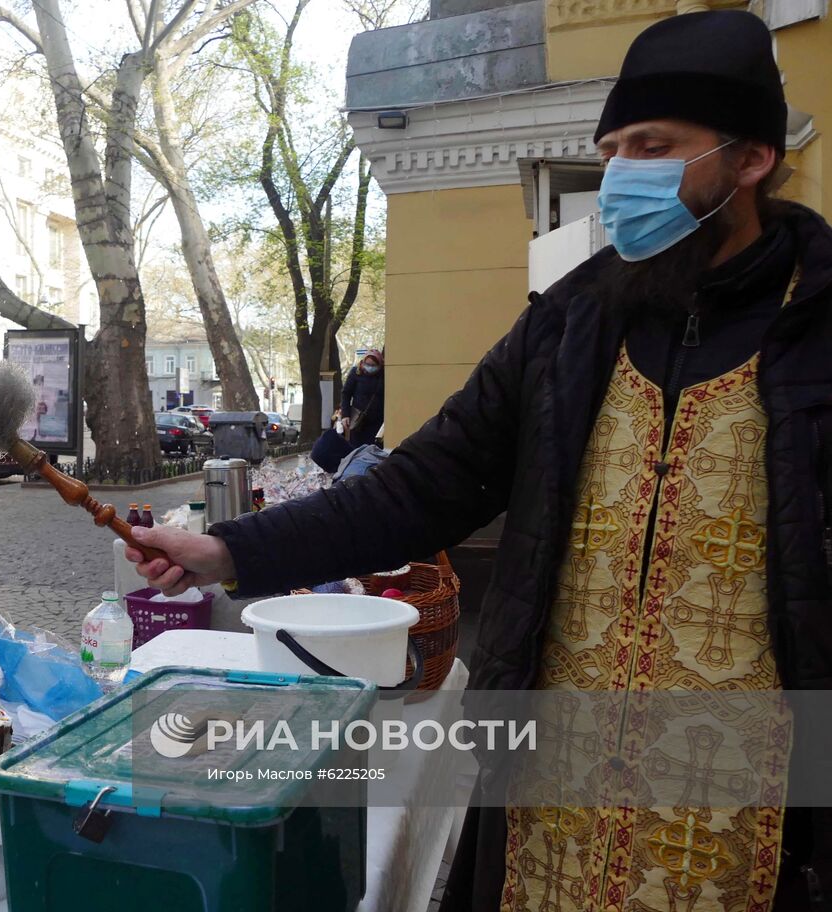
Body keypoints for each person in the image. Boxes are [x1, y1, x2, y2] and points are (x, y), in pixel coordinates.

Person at [128, 12, 832, 911]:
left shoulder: (818, 322)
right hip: (555, 792)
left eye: (654, 146)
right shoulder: (570, 321)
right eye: (613, 148)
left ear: (752, 158)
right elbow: (426, 482)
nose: (621, 175)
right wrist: (230, 551)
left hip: (749, 811)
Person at [339, 348, 384, 447]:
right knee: (357, 449)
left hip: (377, 422)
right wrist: (345, 415)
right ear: (363, 363)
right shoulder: (356, 372)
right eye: (367, 364)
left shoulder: (383, 375)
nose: (370, 367)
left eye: (373, 365)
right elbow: (346, 393)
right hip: (358, 422)